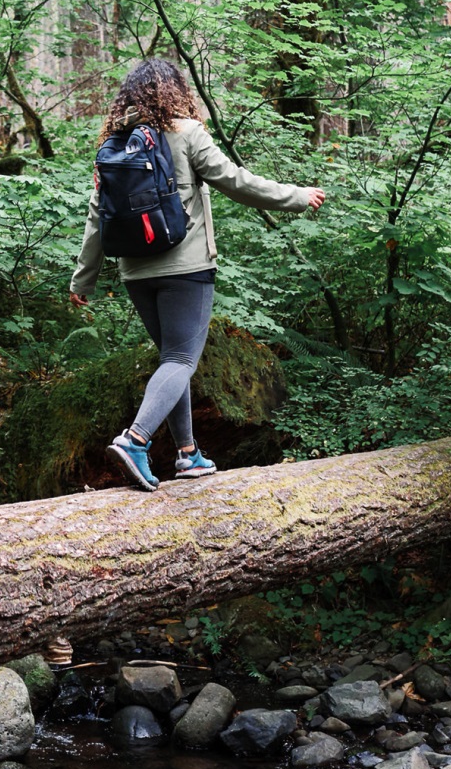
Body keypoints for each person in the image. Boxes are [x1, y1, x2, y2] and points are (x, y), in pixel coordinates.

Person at [69, 59, 325, 492]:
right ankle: (135, 440)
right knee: (181, 360)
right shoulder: (187, 133)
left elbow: (98, 216)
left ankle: (188, 454)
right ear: (173, 90)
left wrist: (83, 280)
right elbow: (236, 182)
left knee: (173, 359)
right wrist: (297, 196)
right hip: (186, 268)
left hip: (134, 271)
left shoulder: (113, 145)